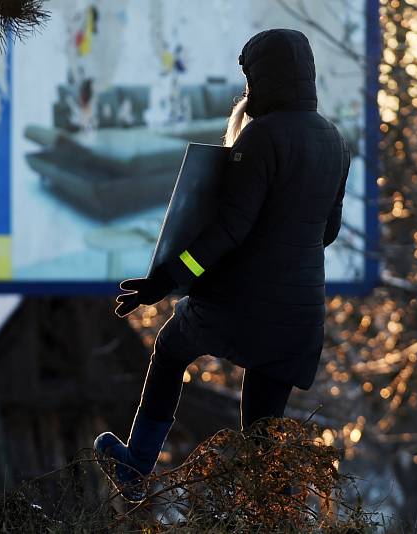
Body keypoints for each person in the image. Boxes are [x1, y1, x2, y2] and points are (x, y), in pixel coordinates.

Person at [94, 28, 351, 501]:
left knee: (170, 350)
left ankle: (136, 466)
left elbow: (228, 231)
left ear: (263, 77)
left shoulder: (261, 137)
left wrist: (166, 281)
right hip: (299, 320)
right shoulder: (334, 140)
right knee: (262, 441)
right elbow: (327, 232)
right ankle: (278, 514)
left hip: (240, 306)